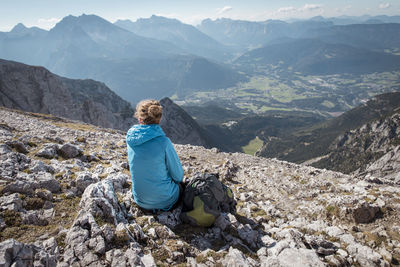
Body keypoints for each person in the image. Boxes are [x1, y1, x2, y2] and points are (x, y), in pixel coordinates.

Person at [126, 99, 184, 212]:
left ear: (139, 118)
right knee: (182, 187)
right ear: (159, 119)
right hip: (165, 200)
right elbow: (178, 176)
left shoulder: (130, 139)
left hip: (140, 200)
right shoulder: (164, 142)